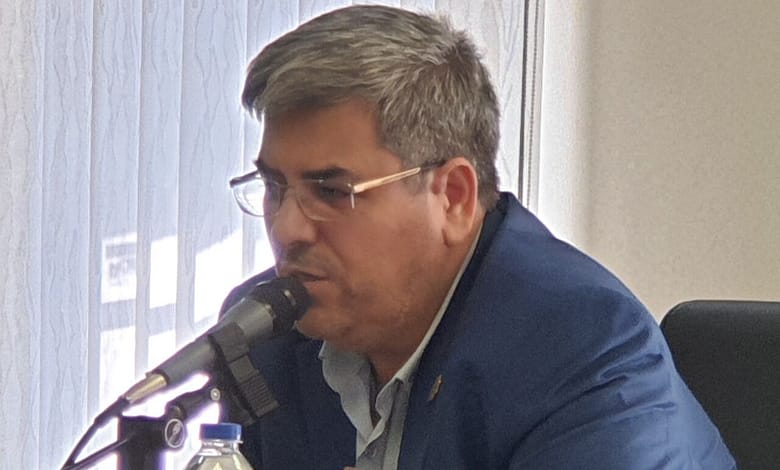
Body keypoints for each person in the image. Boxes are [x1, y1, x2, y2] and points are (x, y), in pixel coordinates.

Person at [219, 5, 735, 469]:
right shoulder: (266, 339)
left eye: (332, 191)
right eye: (274, 186)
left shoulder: (581, 347)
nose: (286, 228)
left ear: (453, 197)